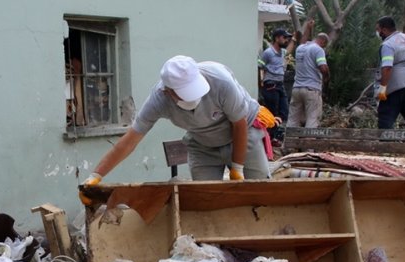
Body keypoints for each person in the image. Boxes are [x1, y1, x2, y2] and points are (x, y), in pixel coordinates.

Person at [80, 55, 273, 201]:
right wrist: (95, 176)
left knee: (260, 192)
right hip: (203, 145)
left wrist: (237, 168)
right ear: (168, 91)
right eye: (184, 93)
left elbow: (239, 124)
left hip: (242, 135)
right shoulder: (158, 100)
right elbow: (130, 141)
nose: (193, 98)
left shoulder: (220, 81)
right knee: (204, 199)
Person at [257, 28, 296, 146]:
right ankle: (269, 138)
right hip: (270, 85)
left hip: (280, 85)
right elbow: (259, 67)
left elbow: (288, 51)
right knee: (272, 112)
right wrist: (260, 83)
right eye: (284, 38)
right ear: (277, 38)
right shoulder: (268, 53)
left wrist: (293, 40)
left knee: (283, 111)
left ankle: (272, 135)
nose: (286, 40)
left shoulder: (282, 53)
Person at [286, 32, 330, 128]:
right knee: (312, 118)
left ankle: (290, 141)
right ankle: (308, 141)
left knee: (293, 118)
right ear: (323, 41)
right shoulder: (318, 49)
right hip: (311, 89)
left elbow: (302, 40)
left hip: (296, 88)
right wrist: (326, 77)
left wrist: (309, 29)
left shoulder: (300, 48)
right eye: (324, 45)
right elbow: (322, 67)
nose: (324, 48)